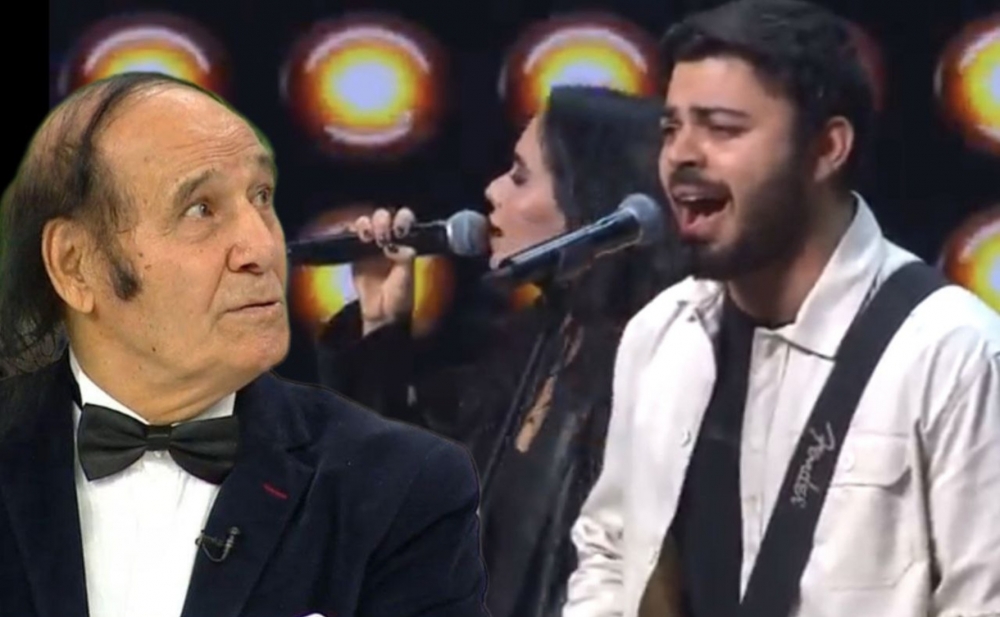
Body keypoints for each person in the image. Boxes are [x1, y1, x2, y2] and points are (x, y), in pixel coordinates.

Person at [563, 1, 1000, 616]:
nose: (681, 154)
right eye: (671, 128)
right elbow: (610, 551)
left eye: (721, 128)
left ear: (826, 148)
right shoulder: (659, 335)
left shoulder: (952, 352)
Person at [0, 72, 488, 617]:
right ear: (76, 265)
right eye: (200, 209)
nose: (262, 247)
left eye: (261, 197)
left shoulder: (404, 491)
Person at [316, 85, 685, 617]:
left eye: (520, 176)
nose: (492, 191)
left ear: (591, 205)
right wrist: (379, 326)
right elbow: (410, 503)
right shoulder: (533, 347)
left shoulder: (653, 373)